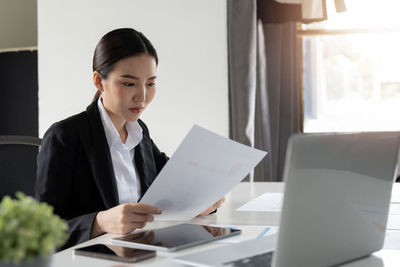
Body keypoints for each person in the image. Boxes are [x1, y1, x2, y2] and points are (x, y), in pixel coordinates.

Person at [35, 28, 225, 250]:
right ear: (98, 81)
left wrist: (198, 204)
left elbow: (172, 181)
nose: (142, 97)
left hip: (141, 254)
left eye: (150, 83)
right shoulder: (65, 137)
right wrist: (100, 221)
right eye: (129, 83)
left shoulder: (139, 132)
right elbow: (41, 231)